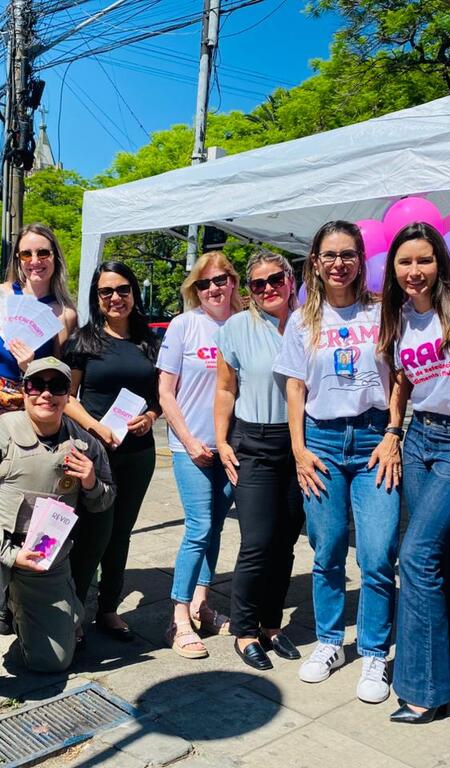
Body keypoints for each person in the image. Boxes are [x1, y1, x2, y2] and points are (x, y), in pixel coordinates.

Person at [0, 358, 115, 715]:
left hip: (45, 554)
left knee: (53, 662)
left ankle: (17, 606)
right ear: (24, 390)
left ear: (68, 394)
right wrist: (7, 553)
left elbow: (105, 500)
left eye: (57, 387)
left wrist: (92, 482)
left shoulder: (85, 444)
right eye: (37, 385)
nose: (46, 393)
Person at [272, 220, 401, 702]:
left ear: (361, 260)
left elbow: (402, 378)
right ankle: (330, 642)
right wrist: (299, 449)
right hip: (321, 442)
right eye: (330, 255)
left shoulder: (384, 312)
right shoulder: (304, 319)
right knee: (326, 552)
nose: (339, 263)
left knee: (377, 553)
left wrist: (393, 432)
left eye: (348, 254)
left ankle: (373, 652)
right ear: (315, 262)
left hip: (373, 441)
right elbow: (294, 389)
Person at [375, 222, 450, 722]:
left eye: (424, 260)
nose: (414, 271)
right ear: (394, 268)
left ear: (439, 264)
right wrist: (394, 431)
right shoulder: (398, 318)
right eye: (405, 262)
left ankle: (424, 689)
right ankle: (446, 675)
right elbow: (402, 381)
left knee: (417, 555)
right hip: (419, 437)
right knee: (432, 559)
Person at [0, 223, 77, 633]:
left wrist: (32, 370)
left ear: (55, 257)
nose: (35, 261)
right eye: (26, 254)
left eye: (43, 252)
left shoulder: (64, 313)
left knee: (21, 496)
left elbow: (60, 376)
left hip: (30, 404)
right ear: (17, 259)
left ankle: (12, 592)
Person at [215, 251, 305, 671]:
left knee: (286, 541)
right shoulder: (237, 327)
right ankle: (244, 629)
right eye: (257, 283)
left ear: (291, 279)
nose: (268, 288)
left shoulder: (311, 322)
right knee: (256, 542)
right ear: (248, 290)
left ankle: (272, 623)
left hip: (302, 444)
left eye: (276, 279)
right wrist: (222, 439)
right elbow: (225, 388)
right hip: (255, 440)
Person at [64, 261, 161, 641]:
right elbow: (68, 397)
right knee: (89, 530)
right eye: (107, 292)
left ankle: (108, 608)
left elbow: (160, 396)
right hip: (94, 451)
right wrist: (95, 427)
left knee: (121, 533)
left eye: (123, 290)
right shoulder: (83, 342)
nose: (115, 298)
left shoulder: (149, 343)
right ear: (96, 297)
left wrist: (151, 416)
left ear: (133, 293)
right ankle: (71, 610)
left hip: (137, 452)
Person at [158, 251, 241, 658]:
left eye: (221, 280)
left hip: (231, 448)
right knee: (199, 527)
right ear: (195, 288)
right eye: (205, 283)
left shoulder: (245, 325)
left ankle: (202, 604)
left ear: (233, 283)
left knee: (216, 529)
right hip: (190, 445)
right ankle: (178, 617)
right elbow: (165, 392)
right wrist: (189, 440)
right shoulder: (184, 325)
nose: (214, 289)